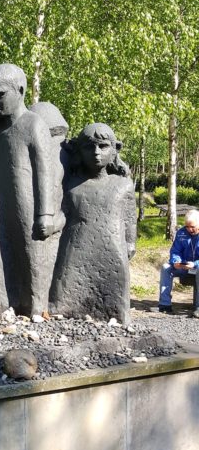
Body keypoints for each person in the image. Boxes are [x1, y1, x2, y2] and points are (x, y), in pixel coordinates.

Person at [0, 63, 55, 316]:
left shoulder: (33, 124)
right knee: (1, 248)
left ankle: (36, 305)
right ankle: (9, 299)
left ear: (21, 90)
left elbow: (46, 170)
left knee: (31, 251)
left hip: (27, 201)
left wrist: (45, 212)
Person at [50, 123, 136, 323]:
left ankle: (115, 313)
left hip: (113, 250)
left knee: (115, 287)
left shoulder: (123, 185)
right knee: (67, 285)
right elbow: (63, 214)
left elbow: (130, 218)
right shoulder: (71, 185)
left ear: (114, 149)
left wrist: (131, 242)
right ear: (79, 151)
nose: (96, 152)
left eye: (103, 146)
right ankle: (66, 309)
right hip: (76, 250)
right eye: (89, 147)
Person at [158, 209, 199, 316]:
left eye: (192, 227)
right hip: (184, 266)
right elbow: (175, 250)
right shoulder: (181, 233)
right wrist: (176, 261)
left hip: (197, 266)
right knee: (166, 267)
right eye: (187, 227)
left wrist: (195, 264)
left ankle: (198, 308)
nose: (189, 229)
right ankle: (164, 305)